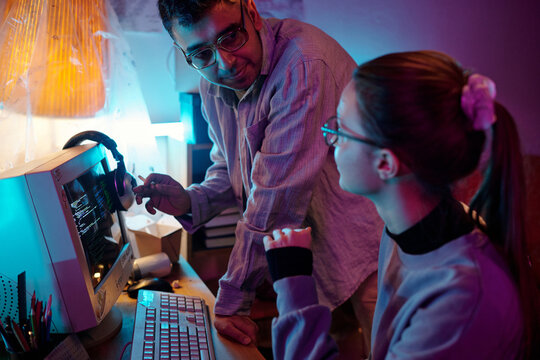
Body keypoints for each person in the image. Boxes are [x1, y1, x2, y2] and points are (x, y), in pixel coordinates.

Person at [134, 0, 382, 350]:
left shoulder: (302, 64)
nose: (225, 62)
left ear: (250, 12)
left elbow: (276, 197)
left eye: (230, 37)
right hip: (309, 255)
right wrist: (190, 199)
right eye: (201, 53)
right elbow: (231, 166)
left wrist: (234, 299)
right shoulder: (212, 80)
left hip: (365, 243)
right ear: (183, 52)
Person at [264, 50, 540, 359]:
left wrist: (294, 287)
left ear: (385, 163)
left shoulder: (462, 299)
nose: (330, 138)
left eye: (340, 128)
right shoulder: (401, 232)